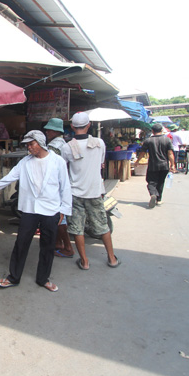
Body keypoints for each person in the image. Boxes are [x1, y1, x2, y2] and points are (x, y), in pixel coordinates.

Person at [0, 130, 71, 292]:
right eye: (27, 144)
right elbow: (8, 178)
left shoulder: (58, 162)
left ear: (41, 143)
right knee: (21, 242)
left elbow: (65, 187)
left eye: (31, 144)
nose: (29, 147)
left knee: (48, 245)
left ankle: (43, 279)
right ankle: (13, 277)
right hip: (30, 209)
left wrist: (63, 209)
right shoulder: (25, 162)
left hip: (51, 209)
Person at [60, 112, 121, 270]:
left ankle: (85, 261)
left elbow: (63, 169)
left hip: (75, 193)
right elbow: (101, 164)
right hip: (95, 192)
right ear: (89, 125)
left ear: (72, 126)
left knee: (77, 228)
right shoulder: (100, 143)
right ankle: (112, 258)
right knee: (102, 225)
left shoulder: (66, 147)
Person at [43, 118, 73, 258]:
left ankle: (67, 247)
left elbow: (49, 165)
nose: (47, 132)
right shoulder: (63, 143)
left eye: (49, 129)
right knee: (58, 216)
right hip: (61, 183)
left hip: (56, 185)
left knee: (60, 218)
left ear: (56, 131)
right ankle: (58, 243)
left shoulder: (54, 146)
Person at [135, 123, 176, 208]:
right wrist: (172, 164)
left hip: (153, 165)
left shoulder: (148, 141)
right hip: (164, 165)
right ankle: (158, 199)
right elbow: (170, 153)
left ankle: (153, 194)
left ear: (152, 131)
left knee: (151, 181)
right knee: (161, 182)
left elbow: (142, 152)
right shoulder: (167, 140)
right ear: (161, 130)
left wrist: (137, 161)